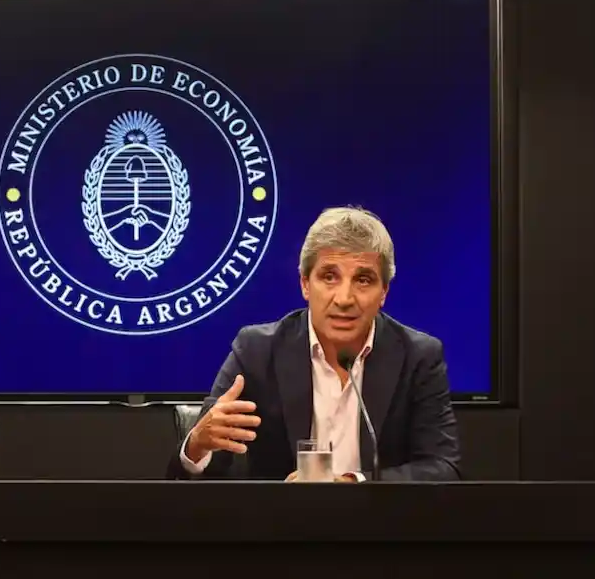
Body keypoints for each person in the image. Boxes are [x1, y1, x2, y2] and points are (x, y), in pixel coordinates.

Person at [170, 206, 461, 482]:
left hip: (379, 528)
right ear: (305, 284)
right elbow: (206, 471)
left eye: (363, 279)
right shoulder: (257, 351)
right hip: (281, 529)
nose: (344, 299)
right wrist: (197, 444)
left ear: (383, 292)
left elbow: (443, 468)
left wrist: (352, 483)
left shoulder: (418, 357)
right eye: (329, 277)